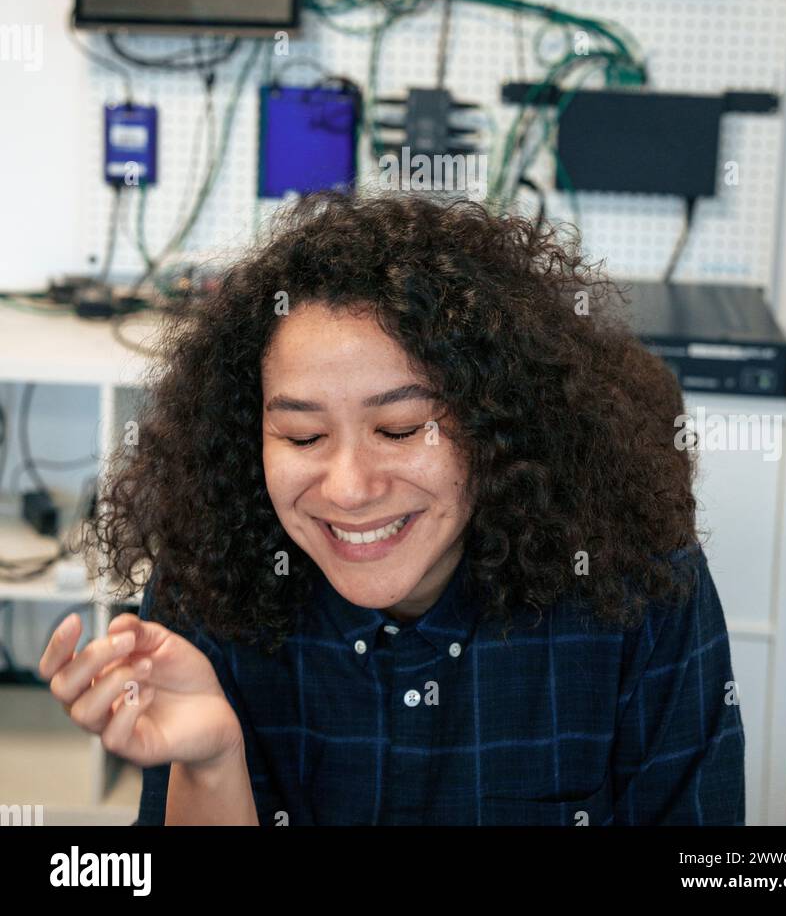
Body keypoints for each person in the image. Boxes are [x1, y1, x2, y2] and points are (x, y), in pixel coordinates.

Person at [40, 190, 745, 826]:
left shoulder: (642, 589)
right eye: (303, 435)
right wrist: (211, 764)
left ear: (498, 427)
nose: (348, 488)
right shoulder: (209, 584)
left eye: (401, 431)